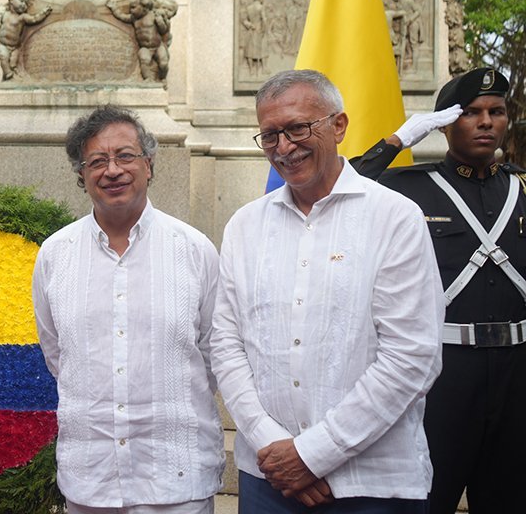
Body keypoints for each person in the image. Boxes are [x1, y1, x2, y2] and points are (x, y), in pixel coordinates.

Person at [211, 69, 444, 512]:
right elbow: (226, 345)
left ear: (338, 125)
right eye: (270, 135)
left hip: (372, 483)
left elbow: (412, 356)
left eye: (299, 128)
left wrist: (313, 453)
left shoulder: (395, 218)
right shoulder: (245, 226)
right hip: (269, 479)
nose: (284, 147)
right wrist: (274, 444)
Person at [32, 105, 226, 514]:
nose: (112, 170)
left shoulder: (193, 250)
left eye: (125, 156)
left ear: (149, 165)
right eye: (97, 161)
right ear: (81, 176)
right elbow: (59, 355)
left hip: (177, 481)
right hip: (90, 481)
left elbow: (214, 354)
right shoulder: (55, 255)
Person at [352, 67, 526, 514]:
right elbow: (336, 191)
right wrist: (397, 141)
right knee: (430, 498)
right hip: (444, 376)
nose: (486, 121)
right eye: (470, 112)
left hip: (517, 374)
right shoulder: (409, 189)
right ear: (445, 123)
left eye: (496, 111)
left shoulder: (522, 189)